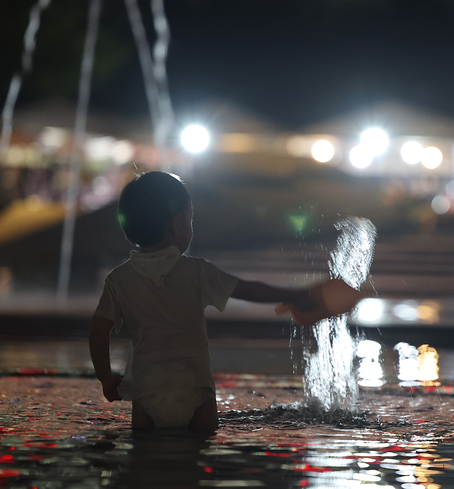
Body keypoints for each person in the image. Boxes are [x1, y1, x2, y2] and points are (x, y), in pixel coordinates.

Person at [89, 171, 324, 433]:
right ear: (176, 225)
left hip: (146, 391)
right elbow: (246, 289)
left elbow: (98, 332)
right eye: (190, 219)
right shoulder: (197, 271)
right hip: (195, 389)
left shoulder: (119, 280)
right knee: (197, 460)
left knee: (147, 460)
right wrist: (292, 295)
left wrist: (106, 378)